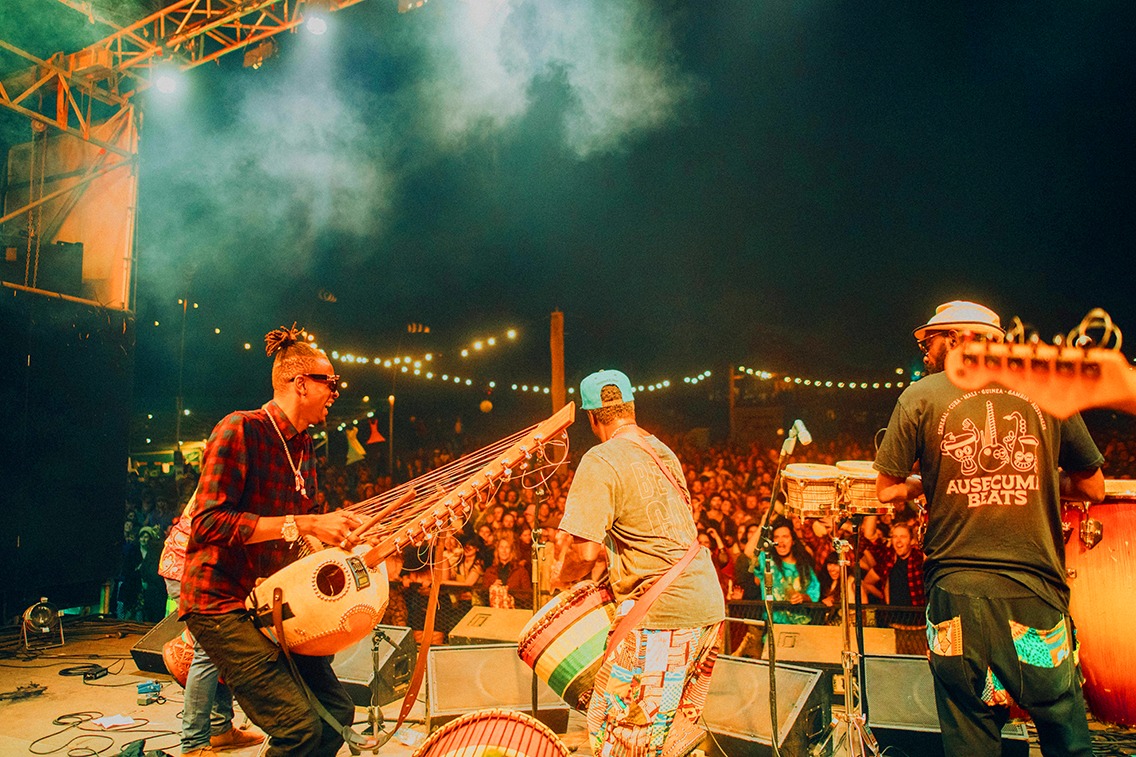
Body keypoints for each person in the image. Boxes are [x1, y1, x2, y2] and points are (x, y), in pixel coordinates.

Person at [874, 300, 1105, 757]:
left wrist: (928, 482)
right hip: (1033, 596)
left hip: (956, 598)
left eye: (929, 342)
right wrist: (1040, 477)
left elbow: (887, 490)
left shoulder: (919, 396)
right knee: (1062, 727)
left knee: (970, 734)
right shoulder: (1044, 387)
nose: (924, 352)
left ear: (958, 338)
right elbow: (1093, 486)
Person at [178, 325, 369, 757]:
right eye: (330, 382)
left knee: (337, 712)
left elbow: (302, 534)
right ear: (300, 383)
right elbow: (207, 523)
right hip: (220, 601)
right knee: (299, 728)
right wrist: (306, 524)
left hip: (268, 600)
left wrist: (343, 536)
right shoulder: (240, 429)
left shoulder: (304, 446)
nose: (335, 392)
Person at [555, 369, 725, 757]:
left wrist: (560, 578)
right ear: (631, 407)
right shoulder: (663, 451)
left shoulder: (600, 458)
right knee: (670, 735)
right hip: (706, 605)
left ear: (592, 418)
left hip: (663, 616)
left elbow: (585, 553)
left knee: (619, 733)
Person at [753, 517, 821, 625]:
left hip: (800, 625)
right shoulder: (766, 560)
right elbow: (748, 553)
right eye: (776, 537)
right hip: (773, 625)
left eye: (785, 536)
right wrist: (763, 525)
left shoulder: (804, 567)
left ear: (793, 541)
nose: (780, 541)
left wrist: (802, 597)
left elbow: (814, 594)